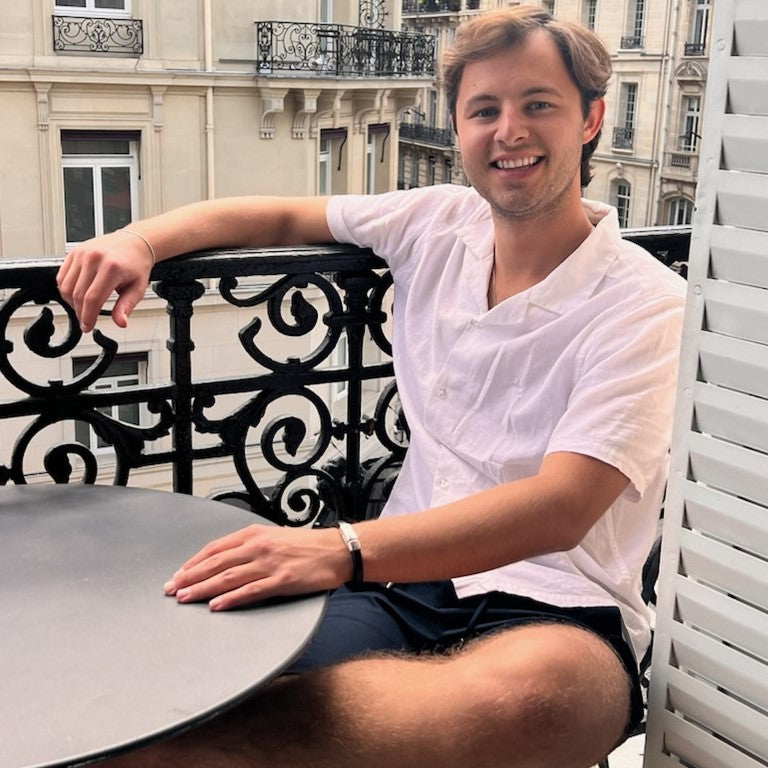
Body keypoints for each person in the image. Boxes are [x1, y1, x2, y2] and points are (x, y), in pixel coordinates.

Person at [56, 7, 686, 767]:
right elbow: (282, 210)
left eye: (538, 105)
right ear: (457, 128)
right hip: (400, 586)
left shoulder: (648, 302)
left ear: (592, 118)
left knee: (532, 701)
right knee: (200, 717)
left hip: (559, 610)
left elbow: (562, 508)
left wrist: (341, 548)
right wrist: (140, 239)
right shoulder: (435, 222)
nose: (509, 130)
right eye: (483, 110)